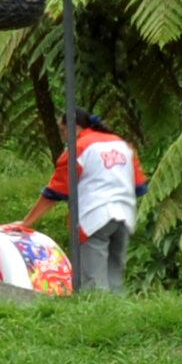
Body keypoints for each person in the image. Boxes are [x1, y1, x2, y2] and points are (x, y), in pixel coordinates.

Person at [26, 109, 145, 295]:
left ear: (73, 127)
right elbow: (139, 187)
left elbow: (55, 192)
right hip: (125, 216)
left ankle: (97, 320)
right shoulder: (121, 145)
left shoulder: (78, 148)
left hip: (93, 219)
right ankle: (120, 318)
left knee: (93, 284)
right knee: (115, 279)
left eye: (63, 130)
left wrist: (26, 223)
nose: (63, 136)